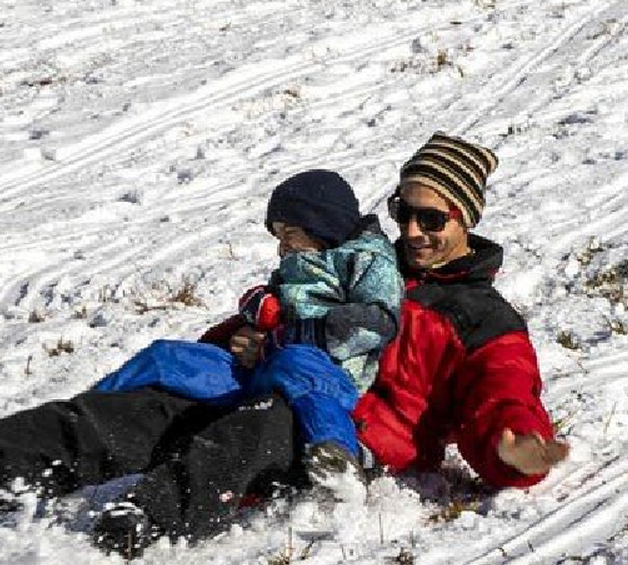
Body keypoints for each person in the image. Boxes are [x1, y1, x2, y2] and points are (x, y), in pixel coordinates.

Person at [0, 134, 569, 558]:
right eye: (403, 211)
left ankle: (138, 526)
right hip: (257, 376)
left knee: (258, 430)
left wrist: (517, 445)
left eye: (432, 216)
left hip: (334, 431)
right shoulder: (359, 259)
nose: (413, 229)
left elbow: (504, 391)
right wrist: (236, 338)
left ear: (466, 219)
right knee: (103, 417)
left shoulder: (483, 317)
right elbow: (276, 312)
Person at [93, 169, 403, 477]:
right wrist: (259, 306)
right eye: (278, 237)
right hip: (262, 368)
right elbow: (266, 301)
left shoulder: (366, 260)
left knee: (301, 373)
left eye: (289, 234)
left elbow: (375, 322)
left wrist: (283, 338)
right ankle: (97, 404)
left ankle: (339, 461)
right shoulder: (296, 264)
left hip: (325, 373)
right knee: (168, 355)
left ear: (321, 226)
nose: (282, 246)